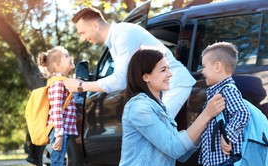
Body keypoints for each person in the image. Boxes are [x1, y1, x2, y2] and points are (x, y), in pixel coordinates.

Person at [64, 7, 195, 118]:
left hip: (174, 84)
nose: (82, 38)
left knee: (156, 135)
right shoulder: (115, 39)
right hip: (163, 88)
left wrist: (81, 86)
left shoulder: (123, 34)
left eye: (82, 32)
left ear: (95, 26)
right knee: (153, 137)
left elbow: (120, 80)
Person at [37, 46, 82, 166]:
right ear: (56, 64)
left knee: (57, 165)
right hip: (58, 132)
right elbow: (56, 110)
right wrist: (59, 134)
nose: (71, 57)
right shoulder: (57, 84)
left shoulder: (63, 81)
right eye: (66, 55)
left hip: (61, 131)